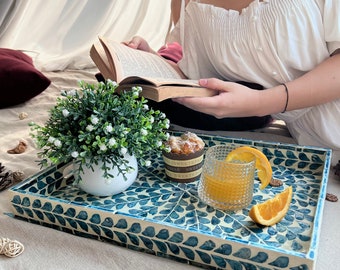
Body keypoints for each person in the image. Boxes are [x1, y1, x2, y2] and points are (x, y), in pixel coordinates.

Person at [126, 0, 340, 164]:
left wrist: (259, 103)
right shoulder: (186, 5)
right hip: (309, 153)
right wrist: (151, 62)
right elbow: (198, 76)